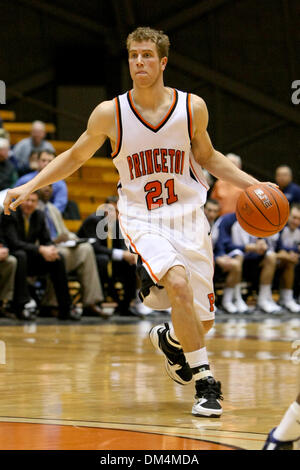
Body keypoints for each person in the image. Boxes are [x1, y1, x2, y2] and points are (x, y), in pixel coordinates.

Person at [4, 26, 276, 417]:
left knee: (203, 323)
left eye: (147, 55)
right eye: (133, 55)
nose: (139, 62)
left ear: (163, 62)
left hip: (189, 219)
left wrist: (256, 185)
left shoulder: (191, 107)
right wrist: (28, 185)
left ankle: (170, 341)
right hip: (141, 217)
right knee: (177, 281)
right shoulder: (110, 113)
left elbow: (211, 157)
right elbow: (75, 157)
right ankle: (205, 383)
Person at [1, 192, 80, 321]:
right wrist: (40, 249)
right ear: (20, 201)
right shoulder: (9, 214)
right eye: (27, 200)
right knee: (21, 256)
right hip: (13, 254)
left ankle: (65, 308)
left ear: (37, 204)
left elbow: (46, 240)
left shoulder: (39, 215)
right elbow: (14, 243)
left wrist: (51, 249)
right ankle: (20, 307)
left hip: (30, 256)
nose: (29, 204)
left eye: (33, 201)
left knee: (58, 258)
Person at [37, 185, 108, 318]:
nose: (48, 188)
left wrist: (75, 239)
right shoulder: (31, 207)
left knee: (86, 249)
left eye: (50, 186)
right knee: (60, 254)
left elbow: (64, 232)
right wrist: (54, 241)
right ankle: (51, 304)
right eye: (44, 186)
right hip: (44, 250)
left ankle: (90, 303)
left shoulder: (53, 209)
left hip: (60, 245)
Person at [276, 203, 300, 311]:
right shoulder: (278, 227)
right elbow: (277, 248)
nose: (296, 221)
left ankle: (290, 297)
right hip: (272, 258)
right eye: (294, 217)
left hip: (290, 260)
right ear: (287, 216)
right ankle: (287, 298)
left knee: (291, 261)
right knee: (289, 261)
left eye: (299, 219)